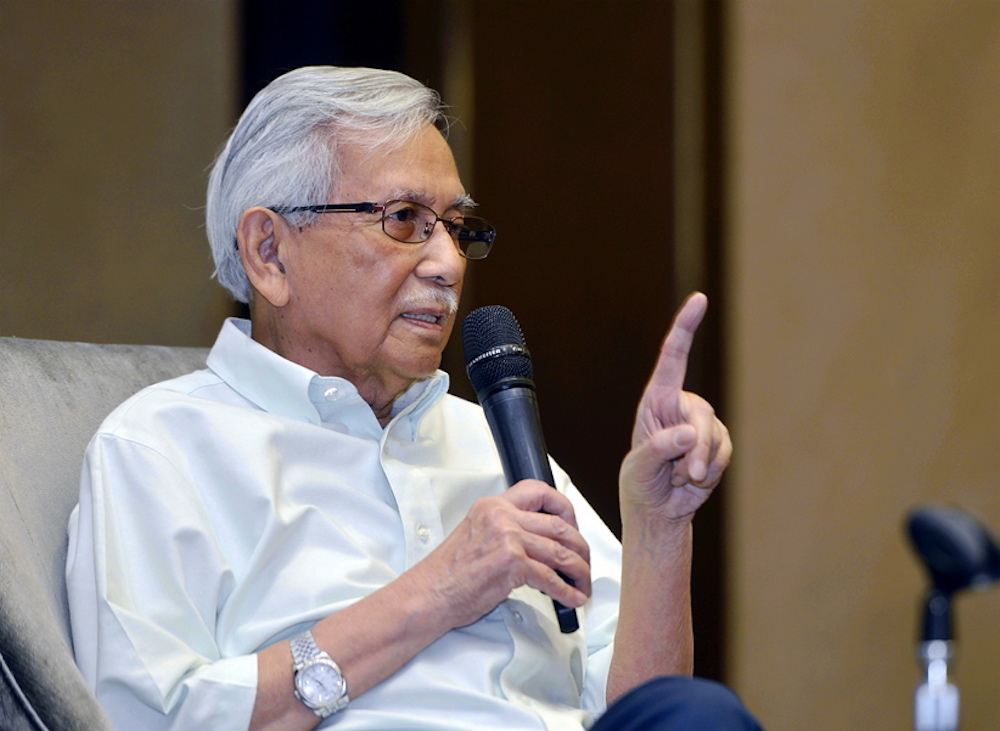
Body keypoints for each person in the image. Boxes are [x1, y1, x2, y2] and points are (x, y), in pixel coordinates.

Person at [66, 66, 761, 731]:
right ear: (270, 252)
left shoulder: (494, 443)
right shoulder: (162, 446)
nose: (449, 263)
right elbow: (143, 716)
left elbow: (638, 707)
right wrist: (438, 591)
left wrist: (659, 526)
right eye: (404, 219)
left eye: (457, 228)